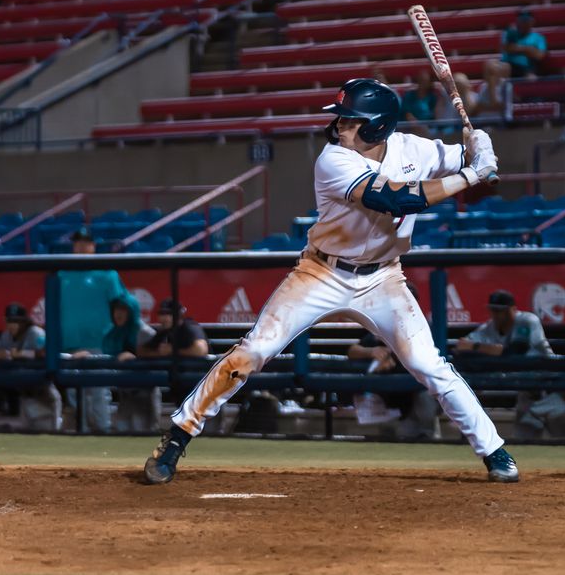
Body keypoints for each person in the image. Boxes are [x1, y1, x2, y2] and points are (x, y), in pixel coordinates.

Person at [143, 77, 516, 484]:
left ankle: (495, 451)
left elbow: (471, 164)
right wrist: (471, 174)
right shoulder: (333, 160)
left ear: (377, 125)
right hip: (321, 272)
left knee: (430, 365)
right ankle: (177, 435)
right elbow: (394, 198)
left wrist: (481, 148)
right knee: (255, 350)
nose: (339, 126)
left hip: (384, 278)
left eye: (350, 120)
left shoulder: (417, 149)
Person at [457, 289, 565, 439]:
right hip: (528, 394)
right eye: (493, 309)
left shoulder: (527, 320)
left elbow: (516, 351)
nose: (496, 314)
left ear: (512, 309)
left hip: (553, 390)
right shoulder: (489, 328)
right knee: (524, 445)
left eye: (501, 310)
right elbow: (461, 346)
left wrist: (476, 347)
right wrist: (488, 349)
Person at [60, 226, 138, 434]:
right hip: (69, 343)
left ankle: (103, 432)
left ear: (93, 246)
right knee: (74, 393)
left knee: (98, 392)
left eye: (86, 242)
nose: (81, 246)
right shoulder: (61, 274)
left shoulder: (107, 274)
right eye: (77, 243)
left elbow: (123, 307)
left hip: (99, 343)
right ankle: (81, 433)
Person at [346, 282, 440, 439]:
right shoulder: (384, 325)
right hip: (394, 397)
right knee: (396, 436)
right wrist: (372, 351)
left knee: (424, 401)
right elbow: (352, 351)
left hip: (419, 389)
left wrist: (393, 357)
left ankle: (429, 433)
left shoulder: (423, 326)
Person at [0, 303, 59, 431]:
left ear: (24, 321)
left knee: (46, 434)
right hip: (25, 394)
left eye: (17, 321)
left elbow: (45, 353)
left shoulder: (35, 332)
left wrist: (22, 353)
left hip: (44, 394)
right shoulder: (7, 335)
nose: (12, 324)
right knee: (27, 436)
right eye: (10, 321)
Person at [105, 296, 159, 433]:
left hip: (144, 394)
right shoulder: (113, 333)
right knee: (121, 434)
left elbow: (158, 359)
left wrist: (136, 358)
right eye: (116, 309)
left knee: (144, 434)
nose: (118, 313)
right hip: (124, 395)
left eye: (123, 309)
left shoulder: (145, 332)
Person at [142, 298, 209, 358]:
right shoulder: (164, 331)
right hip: (179, 370)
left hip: (201, 370)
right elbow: (142, 351)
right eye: (162, 313)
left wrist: (173, 350)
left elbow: (201, 350)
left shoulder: (190, 327)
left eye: (169, 313)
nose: (164, 318)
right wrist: (159, 353)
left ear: (179, 315)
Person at [500, 9, 546, 78]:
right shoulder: (510, 33)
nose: (524, 23)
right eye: (522, 20)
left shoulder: (538, 38)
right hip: (508, 67)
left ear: (532, 21)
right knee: (492, 66)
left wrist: (516, 48)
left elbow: (539, 55)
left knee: (532, 78)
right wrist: (529, 49)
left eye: (527, 20)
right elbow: (506, 48)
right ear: (517, 21)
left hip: (527, 69)